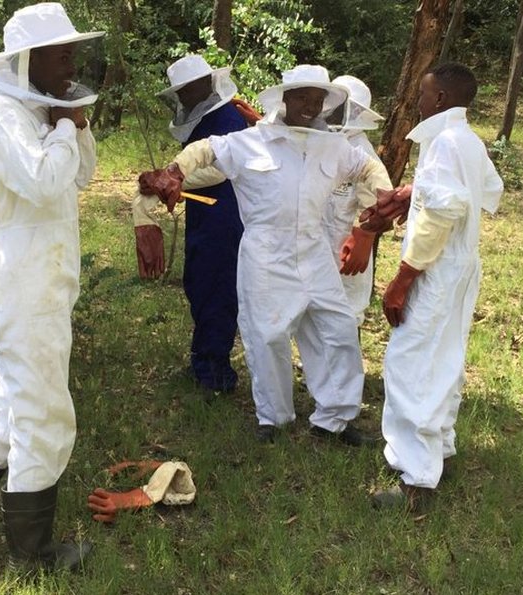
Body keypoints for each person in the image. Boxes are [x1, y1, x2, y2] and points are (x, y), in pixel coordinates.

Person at [0, 3, 102, 574]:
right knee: (43, 412)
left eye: (72, 52)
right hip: (25, 281)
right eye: (60, 54)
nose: (70, 63)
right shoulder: (6, 114)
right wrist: (60, 123)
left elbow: (82, 173)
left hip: (44, 279)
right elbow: (44, 180)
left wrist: (72, 122)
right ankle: (31, 556)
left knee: (11, 404)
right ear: (27, 59)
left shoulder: (40, 110)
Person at [140, 65, 393, 444]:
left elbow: (368, 166)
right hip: (265, 254)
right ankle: (273, 419)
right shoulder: (249, 141)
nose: (310, 105)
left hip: (315, 249)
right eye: (303, 97)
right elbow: (206, 149)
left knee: (337, 329)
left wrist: (381, 199)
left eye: (317, 98)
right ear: (284, 99)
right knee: (268, 335)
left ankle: (336, 420)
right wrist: (176, 170)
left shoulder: (335, 146)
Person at [346, 62, 503, 509]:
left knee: (413, 363)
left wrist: (402, 279)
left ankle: (416, 479)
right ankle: (439, 450)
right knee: (444, 357)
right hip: (459, 265)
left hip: (434, 268)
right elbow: (487, 191)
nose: (416, 101)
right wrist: (414, 189)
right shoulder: (467, 141)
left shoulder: (446, 143)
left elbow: (440, 216)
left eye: (422, 93)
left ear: (439, 99)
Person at [134, 54, 253, 393]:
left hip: (226, 216)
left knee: (216, 288)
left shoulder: (226, 117)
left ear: (205, 85)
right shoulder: (208, 116)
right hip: (208, 216)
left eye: (186, 89)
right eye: (180, 91)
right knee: (200, 283)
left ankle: (216, 374)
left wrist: (168, 180)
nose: (183, 97)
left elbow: (220, 168)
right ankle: (203, 360)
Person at [320, 75, 385, 326]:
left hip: (344, 249)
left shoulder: (361, 151)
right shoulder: (325, 143)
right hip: (319, 247)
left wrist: (364, 237)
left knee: (345, 315)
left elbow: (378, 200)